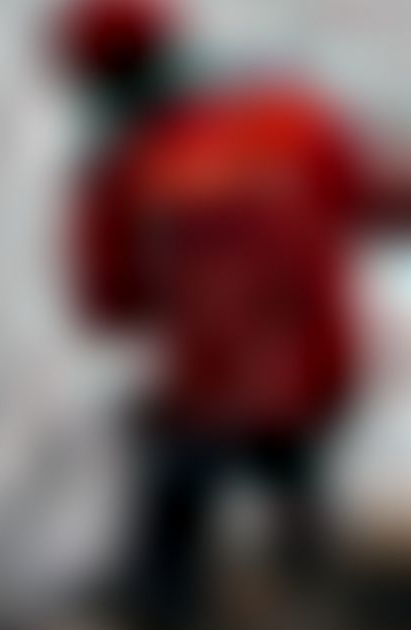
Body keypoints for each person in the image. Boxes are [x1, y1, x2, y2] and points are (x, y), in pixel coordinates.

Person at [54, 0, 410, 626]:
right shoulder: (292, 120)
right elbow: (383, 202)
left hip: (210, 386)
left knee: (171, 512)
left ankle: (171, 599)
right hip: (317, 370)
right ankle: (316, 577)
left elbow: (111, 300)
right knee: (294, 475)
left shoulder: (119, 169)